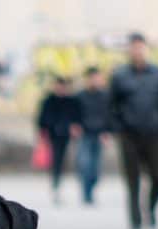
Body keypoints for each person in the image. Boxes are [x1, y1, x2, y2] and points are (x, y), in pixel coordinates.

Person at [109, 32, 158, 229]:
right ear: (129, 50)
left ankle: (151, 208)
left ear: (146, 49)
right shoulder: (120, 76)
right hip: (129, 135)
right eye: (133, 47)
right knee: (132, 178)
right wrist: (119, 128)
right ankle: (135, 219)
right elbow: (112, 106)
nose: (137, 51)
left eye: (140, 47)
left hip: (155, 134)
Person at [37, 76, 81, 204]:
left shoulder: (71, 101)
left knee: (63, 159)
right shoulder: (48, 100)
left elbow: (76, 116)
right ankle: (56, 181)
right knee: (56, 159)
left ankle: (58, 179)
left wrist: (75, 126)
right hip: (53, 134)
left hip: (66, 135)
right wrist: (43, 132)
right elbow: (42, 118)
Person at [75, 66, 109, 205]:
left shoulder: (105, 96)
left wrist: (107, 131)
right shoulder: (80, 96)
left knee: (95, 167)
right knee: (84, 164)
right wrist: (75, 126)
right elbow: (74, 114)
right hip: (85, 134)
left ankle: (91, 187)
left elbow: (109, 115)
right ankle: (86, 192)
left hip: (99, 134)